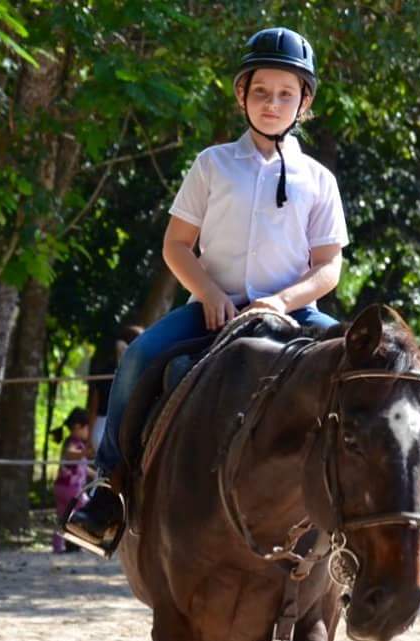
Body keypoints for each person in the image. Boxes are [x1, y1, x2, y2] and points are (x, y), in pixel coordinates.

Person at [64, 27, 348, 556]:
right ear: (242, 94)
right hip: (213, 311)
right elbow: (176, 245)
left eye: (286, 93)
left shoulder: (319, 179)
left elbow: (329, 267)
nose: (272, 103)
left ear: (304, 101)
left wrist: (282, 302)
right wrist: (210, 292)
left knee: (360, 373)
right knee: (141, 356)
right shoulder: (211, 164)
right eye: (261, 91)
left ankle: (358, 510)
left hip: (292, 316)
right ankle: (107, 490)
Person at [87, 325, 144, 452]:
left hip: (110, 429)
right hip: (111, 428)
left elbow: (93, 409)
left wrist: (89, 438)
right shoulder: (138, 374)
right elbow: (94, 408)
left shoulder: (139, 373)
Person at [51, 408, 94, 554]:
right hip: (72, 489)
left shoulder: (73, 443)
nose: (88, 431)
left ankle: (58, 546)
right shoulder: (74, 442)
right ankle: (84, 542)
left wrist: (96, 476)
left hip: (61, 487)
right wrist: (84, 453)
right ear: (77, 427)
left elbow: (82, 467)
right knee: (88, 509)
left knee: (63, 517)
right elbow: (71, 454)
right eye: (87, 427)